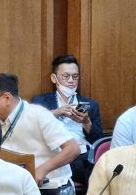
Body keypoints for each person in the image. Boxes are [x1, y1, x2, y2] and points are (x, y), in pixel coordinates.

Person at [0, 73, 80, 195]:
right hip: (14, 186)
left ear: (7, 98)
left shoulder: (38, 115)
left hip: (51, 188)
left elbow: (73, 149)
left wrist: (41, 170)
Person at [31, 53, 103, 187]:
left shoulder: (90, 104)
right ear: (54, 78)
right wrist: (55, 113)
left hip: (84, 155)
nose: (71, 81)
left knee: (99, 169)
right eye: (66, 76)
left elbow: (98, 140)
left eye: (75, 76)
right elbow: (32, 127)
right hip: (57, 155)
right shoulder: (40, 101)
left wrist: (86, 122)